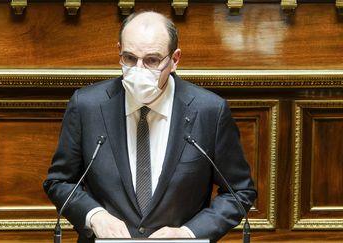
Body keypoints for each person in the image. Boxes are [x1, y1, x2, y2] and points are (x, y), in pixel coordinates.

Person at [43, 11, 257, 243]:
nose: (139, 70)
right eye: (129, 58)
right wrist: (95, 216)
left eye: (152, 60)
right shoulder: (87, 106)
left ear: (175, 59)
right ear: (119, 52)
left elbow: (239, 192)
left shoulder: (210, 112)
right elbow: (60, 182)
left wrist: (189, 233)